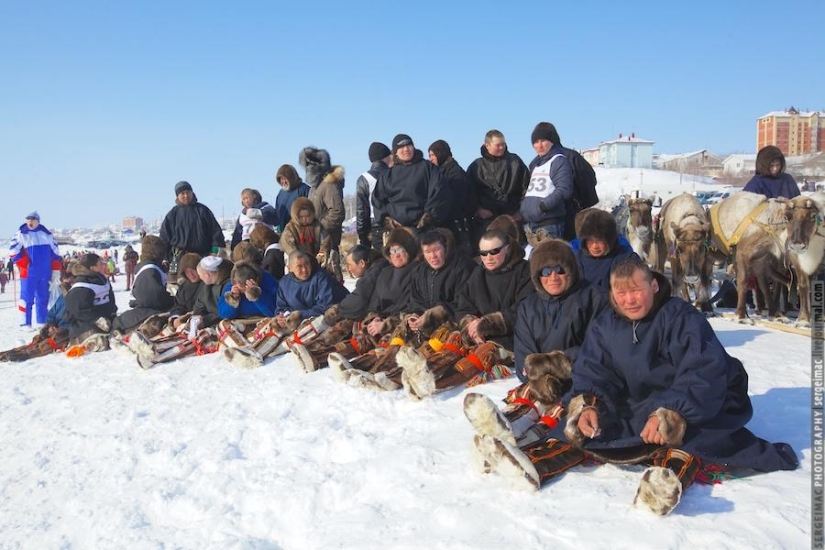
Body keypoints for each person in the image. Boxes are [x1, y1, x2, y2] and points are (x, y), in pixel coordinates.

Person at [472, 256, 798, 516]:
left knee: (695, 433)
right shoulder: (605, 326)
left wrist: (670, 413)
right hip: (644, 399)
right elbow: (593, 373)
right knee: (593, 425)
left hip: (702, 399)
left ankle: (664, 485)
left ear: (654, 285)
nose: (629, 300)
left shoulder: (681, 317)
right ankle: (536, 463)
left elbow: (703, 374)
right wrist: (587, 405)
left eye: (637, 290)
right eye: (621, 293)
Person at [455, 216, 534, 350]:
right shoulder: (477, 274)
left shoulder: (525, 271)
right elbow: (463, 305)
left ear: (507, 249)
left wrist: (488, 324)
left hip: (513, 341)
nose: (489, 258)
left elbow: (525, 310)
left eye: (494, 251)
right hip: (479, 340)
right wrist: (470, 325)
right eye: (483, 253)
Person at [372, 134, 453, 236]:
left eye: (409, 145)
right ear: (395, 152)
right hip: (398, 232)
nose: (406, 149)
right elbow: (378, 201)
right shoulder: (387, 175)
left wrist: (429, 217)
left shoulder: (428, 168)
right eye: (401, 147)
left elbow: (440, 193)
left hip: (424, 231)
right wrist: (387, 221)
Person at [405, 229, 477, 341]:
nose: (433, 256)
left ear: (445, 247)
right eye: (427, 252)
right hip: (425, 329)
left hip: (453, 327)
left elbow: (463, 303)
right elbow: (415, 300)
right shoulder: (419, 271)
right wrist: (413, 317)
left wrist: (436, 313)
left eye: (437, 249)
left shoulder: (463, 267)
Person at [0, 269, 75, 362]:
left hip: (65, 330)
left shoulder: (76, 296)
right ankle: (11, 353)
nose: (68, 284)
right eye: (66, 281)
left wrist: (60, 327)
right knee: (39, 338)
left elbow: (72, 316)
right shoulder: (62, 296)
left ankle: (27, 354)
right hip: (55, 326)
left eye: (71, 281)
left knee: (49, 343)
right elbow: (52, 312)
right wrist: (50, 324)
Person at [466, 130, 530, 235]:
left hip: (512, 218)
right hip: (487, 220)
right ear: (487, 145)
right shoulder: (476, 167)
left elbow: (527, 188)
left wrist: (520, 212)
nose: (502, 147)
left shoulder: (515, 162)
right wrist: (478, 209)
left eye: (503, 144)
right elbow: (469, 192)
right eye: (498, 145)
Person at [159, 181, 225, 279]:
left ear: (192, 193)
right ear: (177, 196)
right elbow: (164, 239)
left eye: (188, 192)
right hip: (179, 259)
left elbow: (216, 234)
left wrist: (214, 252)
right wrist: (165, 258)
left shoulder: (203, 210)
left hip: (203, 257)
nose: (186, 196)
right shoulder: (172, 215)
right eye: (182, 193)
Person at [520, 122, 574, 240]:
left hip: (549, 224)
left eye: (543, 141)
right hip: (531, 224)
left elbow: (564, 190)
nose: (539, 145)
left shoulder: (559, 161)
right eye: (535, 142)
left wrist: (543, 206)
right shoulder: (535, 164)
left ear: (552, 141)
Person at [299, 147, 346, 280]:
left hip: (327, 243)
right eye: (306, 165)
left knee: (331, 281)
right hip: (315, 244)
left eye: (311, 165)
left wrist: (319, 228)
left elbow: (337, 212)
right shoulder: (314, 187)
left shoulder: (329, 185)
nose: (308, 168)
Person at [9, 211, 61, 327]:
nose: (30, 222)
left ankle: (42, 322)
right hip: (28, 273)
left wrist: (56, 269)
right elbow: (13, 252)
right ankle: (25, 323)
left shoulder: (47, 234)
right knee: (27, 299)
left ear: (38, 221)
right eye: (28, 219)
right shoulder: (21, 234)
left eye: (32, 219)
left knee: (43, 298)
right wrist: (25, 264)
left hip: (45, 272)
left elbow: (55, 253)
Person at [112, 236, 174, 333]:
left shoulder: (151, 266)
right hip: (148, 309)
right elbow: (152, 297)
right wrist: (172, 300)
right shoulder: (150, 269)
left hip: (146, 307)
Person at [274, 250, 349, 330]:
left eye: (307, 264)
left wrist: (299, 315)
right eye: (299, 266)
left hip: (334, 319)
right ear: (290, 268)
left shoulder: (321, 277)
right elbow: (281, 307)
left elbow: (325, 307)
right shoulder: (284, 283)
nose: (304, 270)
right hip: (301, 323)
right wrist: (282, 316)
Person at [428, 140, 476, 257]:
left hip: (458, 227)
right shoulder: (442, 172)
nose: (430, 159)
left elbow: (456, 203)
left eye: (432, 155)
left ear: (441, 154)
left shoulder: (455, 174)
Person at [572, 208, 638, 292]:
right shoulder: (577, 260)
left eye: (599, 241)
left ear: (609, 240)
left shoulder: (625, 259)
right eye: (590, 241)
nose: (595, 246)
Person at [64, 253, 117, 350]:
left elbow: (110, 299)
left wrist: (112, 311)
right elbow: (78, 310)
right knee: (102, 342)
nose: (104, 264)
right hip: (84, 324)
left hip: (106, 318)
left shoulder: (101, 279)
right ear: (92, 268)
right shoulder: (82, 285)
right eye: (100, 263)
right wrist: (97, 319)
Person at [356, 142, 392, 249]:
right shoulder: (394, 174)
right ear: (386, 157)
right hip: (394, 225)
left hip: (375, 227)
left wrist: (362, 236)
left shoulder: (364, 179)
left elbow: (361, 210)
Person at [274, 164, 311, 232]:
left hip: (301, 232)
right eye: (281, 179)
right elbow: (277, 214)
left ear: (291, 178)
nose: (283, 182)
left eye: (285, 179)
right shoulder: (280, 194)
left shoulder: (304, 190)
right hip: (284, 233)